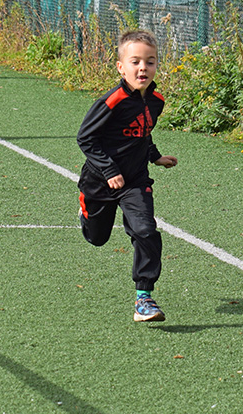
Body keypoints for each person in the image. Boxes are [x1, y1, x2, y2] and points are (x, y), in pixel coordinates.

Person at [76, 29, 178, 322]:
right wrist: (109, 171)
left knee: (146, 231)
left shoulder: (156, 100)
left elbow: (142, 133)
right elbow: (86, 138)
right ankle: (86, 213)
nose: (142, 68)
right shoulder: (113, 100)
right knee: (97, 238)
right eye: (135, 62)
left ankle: (144, 298)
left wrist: (155, 156)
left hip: (135, 181)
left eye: (150, 61)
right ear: (121, 66)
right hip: (99, 181)